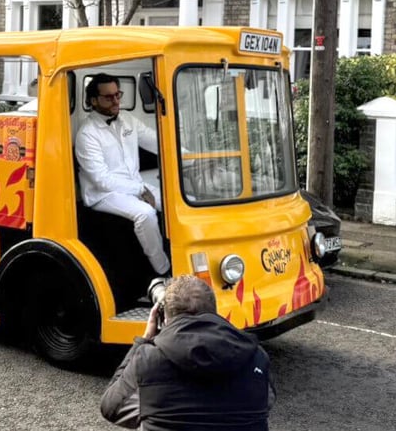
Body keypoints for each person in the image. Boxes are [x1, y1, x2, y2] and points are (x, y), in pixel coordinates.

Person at [100, 275, 275, 431]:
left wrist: (144, 340)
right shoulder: (256, 356)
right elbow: (266, 401)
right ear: (214, 312)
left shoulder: (148, 359)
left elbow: (111, 407)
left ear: (163, 319)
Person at [75, 73, 170, 279]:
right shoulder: (87, 134)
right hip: (103, 195)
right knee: (145, 214)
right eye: (109, 97)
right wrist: (139, 189)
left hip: (135, 185)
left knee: (174, 202)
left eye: (118, 94)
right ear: (93, 100)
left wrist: (188, 156)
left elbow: (157, 141)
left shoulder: (127, 119)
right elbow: (101, 180)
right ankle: (163, 270)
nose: (116, 101)